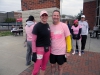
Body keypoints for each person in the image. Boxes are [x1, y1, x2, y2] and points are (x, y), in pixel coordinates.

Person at [50, 10, 72, 75]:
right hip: (52, 51)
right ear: (52, 16)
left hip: (61, 52)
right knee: (52, 66)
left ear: (59, 16)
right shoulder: (50, 27)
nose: (56, 17)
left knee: (60, 67)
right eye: (54, 15)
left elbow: (68, 38)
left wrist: (68, 50)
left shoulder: (64, 26)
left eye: (57, 15)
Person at [32, 10, 51, 75]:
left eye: (46, 15)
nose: (44, 16)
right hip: (39, 50)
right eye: (43, 15)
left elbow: (49, 37)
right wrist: (34, 52)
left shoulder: (48, 25)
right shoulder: (36, 26)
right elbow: (33, 40)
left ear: (47, 16)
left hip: (47, 49)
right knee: (36, 69)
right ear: (40, 16)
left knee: (43, 67)